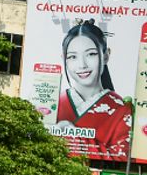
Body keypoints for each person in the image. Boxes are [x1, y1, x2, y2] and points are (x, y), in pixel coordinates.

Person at [54, 19, 130, 161]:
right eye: (72, 57)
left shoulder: (123, 110)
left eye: (91, 54)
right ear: (64, 59)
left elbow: (123, 158)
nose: (82, 65)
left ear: (106, 55)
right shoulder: (53, 104)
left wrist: (71, 137)